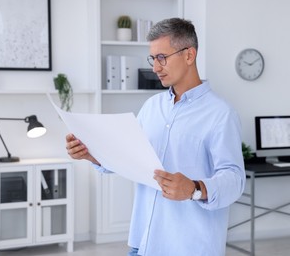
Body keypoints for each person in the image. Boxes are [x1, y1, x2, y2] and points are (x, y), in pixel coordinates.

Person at [66, 17, 246, 256]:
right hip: (143, 243)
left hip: (189, 248)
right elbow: (130, 158)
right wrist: (93, 155)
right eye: (153, 59)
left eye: (162, 58)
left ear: (189, 55)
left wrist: (194, 188)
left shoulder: (221, 114)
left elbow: (235, 180)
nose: (155, 67)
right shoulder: (151, 107)